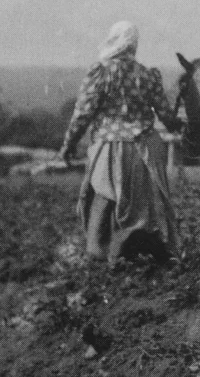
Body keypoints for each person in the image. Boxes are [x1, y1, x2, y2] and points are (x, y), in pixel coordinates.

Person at [58, 21, 183, 266]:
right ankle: (143, 249)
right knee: (144, 204)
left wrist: (68, 145)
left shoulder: (101, 72)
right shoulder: (147, 75)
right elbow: (167, 117)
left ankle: (103, 251)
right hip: (144, 149)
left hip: (110, 148)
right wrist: (182, 127)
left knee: (105, 197)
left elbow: (82, 113)